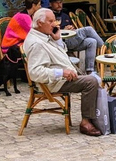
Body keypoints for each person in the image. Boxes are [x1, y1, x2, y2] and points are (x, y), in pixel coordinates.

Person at [23, 8, 101, 136]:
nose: (55, 24)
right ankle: (86, 122)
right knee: (91, 82)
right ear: (40, 23)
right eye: (51, 21)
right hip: (54, 82)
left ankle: (111, 109)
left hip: (64, 76)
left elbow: (61, 54)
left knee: (95, 77)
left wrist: (58, 40)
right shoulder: (37, 43)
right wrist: (61, 73)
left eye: (55, 20)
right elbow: (35, 72)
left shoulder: (44, 36)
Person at [49, 0, 105, 74]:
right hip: (60, 42)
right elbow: (48, 31)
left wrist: (72, 28)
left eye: (60, 2)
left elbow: (72, 27)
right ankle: (105, 48)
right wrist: (62, 30)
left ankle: (90, 70)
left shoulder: (65, 15)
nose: (59, 4)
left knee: (92, 41)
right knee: (88, 29)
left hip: (71, 40)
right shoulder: (49, 15)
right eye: (56, 2)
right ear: (50, 4)